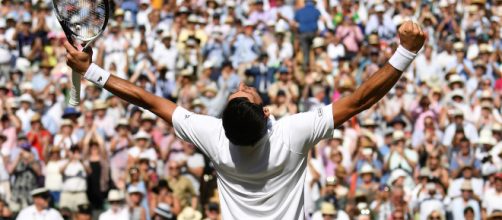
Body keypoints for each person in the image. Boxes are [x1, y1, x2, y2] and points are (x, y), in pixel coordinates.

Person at [64, 21, 425, 219]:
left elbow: (145, 99)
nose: (240, 84)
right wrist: (406, 51)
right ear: (267, 113)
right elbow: (362, 99)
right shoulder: (292, 133)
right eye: (245, 91)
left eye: (239, 91)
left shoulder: (214, 139)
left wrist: (92, 70)